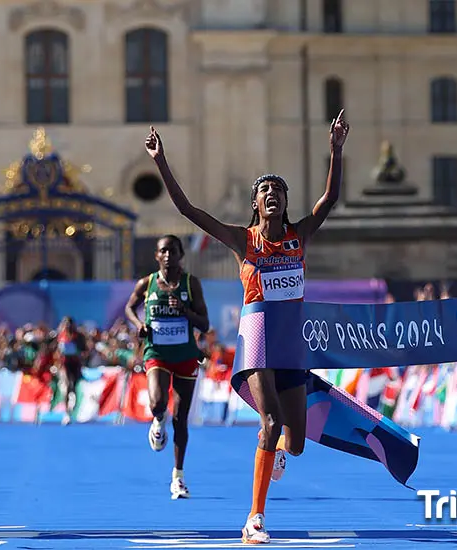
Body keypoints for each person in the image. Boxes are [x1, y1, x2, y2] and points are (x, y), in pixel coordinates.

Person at [145, 110, 349, 543]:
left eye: (278, 190)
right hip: (257, 338)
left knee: (293, 444)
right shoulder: (243, 239)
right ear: (255, 203)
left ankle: (277, 451)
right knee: (269, 422)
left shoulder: (299, 234)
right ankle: (254, 519)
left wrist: (335, 150)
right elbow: (187, 209)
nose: (272, 194)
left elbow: (329, 200)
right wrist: (161, 161)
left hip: (290, 341)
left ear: (285, 202)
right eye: (265, 190)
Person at [125, 235, 210, 500]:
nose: (168, 255)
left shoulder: (190, 283)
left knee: (180, 419)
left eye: (173, 251)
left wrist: (185, 311)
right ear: (156, 256)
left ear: (181, 254)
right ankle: (157, 419)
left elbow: (204, 324)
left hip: (185, 354)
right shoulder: (147, 283)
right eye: (163, 251)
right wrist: (138, 325)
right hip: (157, 353)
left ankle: (178, 477)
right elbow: (129, 308)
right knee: (158, 403)